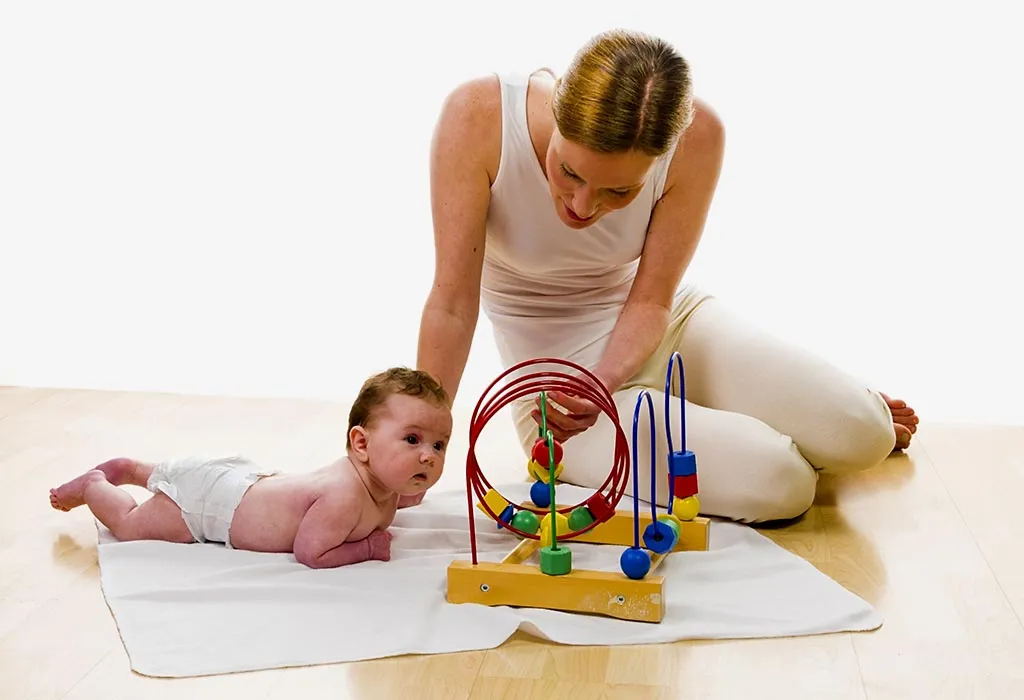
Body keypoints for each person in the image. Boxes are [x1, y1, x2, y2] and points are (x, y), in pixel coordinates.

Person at [415, 28, 918, 524]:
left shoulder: (698, 136)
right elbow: (452, 304)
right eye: (569, 171)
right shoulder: (480, 118)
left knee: (864, 434)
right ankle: (763, 432)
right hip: (562, 399)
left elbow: (653, 300)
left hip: (668, 327)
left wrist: (604, 379)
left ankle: (822, 422)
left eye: (618, 192)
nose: (583, 205)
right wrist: (419, 435)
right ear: (556, 112)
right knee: (782, 482)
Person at [48, 367, 452, 567]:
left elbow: (384, 504)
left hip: (236, 484)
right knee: (132, 525)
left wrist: (406, 494)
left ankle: (137, 470)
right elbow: (312, 551)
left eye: (439, 444)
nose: (428, 455)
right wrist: (366, 548)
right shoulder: (343, 496)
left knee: (174, 480)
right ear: (360, 444)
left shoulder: (382, 489)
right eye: (412, 440)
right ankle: (95, 484)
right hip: (209, 510)